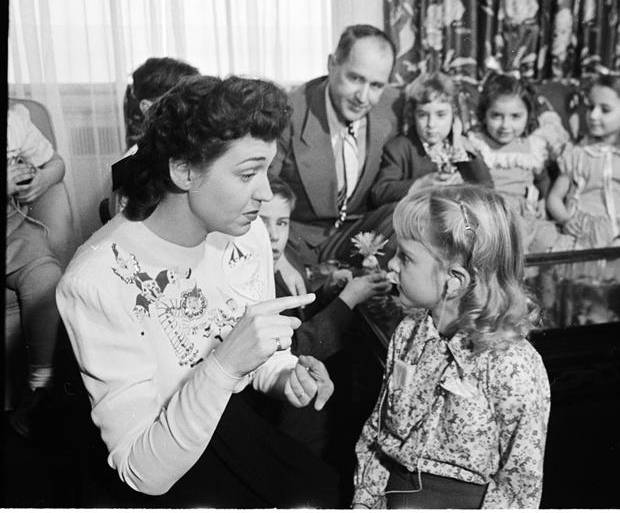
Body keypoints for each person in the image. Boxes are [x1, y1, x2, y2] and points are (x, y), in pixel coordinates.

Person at [55, 75, 342, 508]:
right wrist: (226, 364)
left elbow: (252, 349)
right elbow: (142, 472)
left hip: (225, 421)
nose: (266, 193)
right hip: (157, 457)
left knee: (323, 492)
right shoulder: (94, 281)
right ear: (184, 170)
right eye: (248, 173)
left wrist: (285, 375)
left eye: (267, 170)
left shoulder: (246, 233)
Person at [352, 184, 551, 509]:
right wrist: (364, 503)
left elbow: (519, 487)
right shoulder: (408, 333)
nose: (392, 265)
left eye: (406, 257)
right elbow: (377, 435)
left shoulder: (512, 364)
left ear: (454, 280)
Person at [269, 24, 403, 276]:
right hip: (296, 238)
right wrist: (279, 259)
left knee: (410, 213)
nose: (363, 97)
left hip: (356, 232)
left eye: (376, 85)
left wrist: (456, 135)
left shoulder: (394, 105)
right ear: (332, 64)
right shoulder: (288, 112)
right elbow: (260, 191)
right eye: (355, 78)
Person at [260, 177, 391, 361]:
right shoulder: (252, 278)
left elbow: (298, 319)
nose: (274, 235)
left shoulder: (282, 260)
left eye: (282, 223)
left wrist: (326, 292)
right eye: (262, 222)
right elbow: (294, 350)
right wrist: (349, 299)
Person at [542, 71, 620, 255]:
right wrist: (565, 219)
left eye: (605, 110)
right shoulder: (576, 153)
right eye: (590, 107)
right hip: (581, 234)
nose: (593, 115)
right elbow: (554, 198)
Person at [6, 102, 66, 438]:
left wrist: (42, 180)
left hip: (13, 230)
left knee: (45, 277)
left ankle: (39, 383)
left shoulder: (14, 121)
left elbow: (56, 163)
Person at [466, 73, 569, 252]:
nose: (505, 125)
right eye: (496, 116)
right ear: (484, 114)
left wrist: (543, 199)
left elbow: (542, 177)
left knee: (549, 238)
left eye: (515, 116)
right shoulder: (478, 143)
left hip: (526, 212)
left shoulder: (532, 144)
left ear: (528, 115)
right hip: (494, 215)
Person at [371, 72, 493, 206]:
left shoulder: (460, 147)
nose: (431, 124)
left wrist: (461, 144)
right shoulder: (399, 148)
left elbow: (487, 189)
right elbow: (379, 192)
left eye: (441, 115)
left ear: (454, 116)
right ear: (413, 115)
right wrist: (419, 185)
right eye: (422, 115)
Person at [106, 57, 201, 221]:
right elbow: (129, 224)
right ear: (147, 108)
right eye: (183, 103)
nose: (196, 111)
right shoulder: (128, 166)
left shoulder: (197, 148)